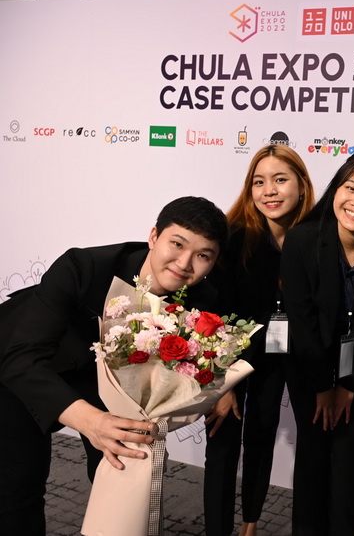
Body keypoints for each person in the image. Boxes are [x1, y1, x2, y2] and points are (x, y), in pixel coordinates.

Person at [0, 196, 228, 536]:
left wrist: (222, 385)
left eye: (203, 255)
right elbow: (22, 360)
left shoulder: (202, 301)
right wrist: (91, 421)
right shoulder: (83, 266)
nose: (184, 263)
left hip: (104, 380)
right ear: (154, 236)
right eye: (177, 244)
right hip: (22, 368)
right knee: (19, 486)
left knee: (127, 467)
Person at [280, 148, 354, 536]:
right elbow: (302, 322)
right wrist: (322, 386)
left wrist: (347, 386)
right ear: (336, 188)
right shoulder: (303, 240)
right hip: (309, 367)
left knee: (346, 456)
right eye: (351, 187)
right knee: (313, 454)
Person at [202, 145, 315, 536]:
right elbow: (212, 318)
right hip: (227, 359)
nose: (269, 191)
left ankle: (249, 525)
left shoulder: (314, 240)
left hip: (276, 356)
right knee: (222, 445)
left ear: (302, 185)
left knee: (262, 435)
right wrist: (222, 383)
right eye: (259, 182)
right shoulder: (234, 238)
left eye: (280, 180)